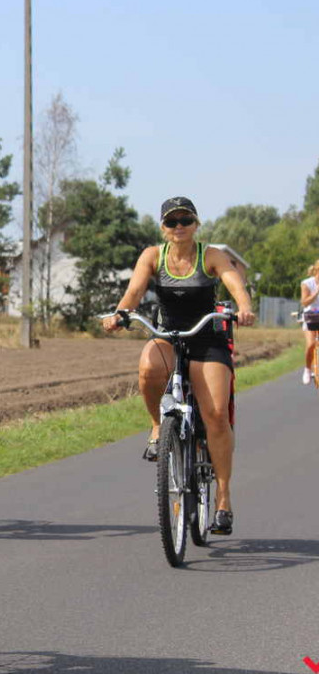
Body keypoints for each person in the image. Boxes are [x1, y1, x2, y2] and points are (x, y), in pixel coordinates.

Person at [102, 196, 255, 535]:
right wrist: (120, 313)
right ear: (163, 228)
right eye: (172, 222)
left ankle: (224, 499)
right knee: (148, 367)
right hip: (170, 334)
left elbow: (234, 282)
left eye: (185, 219)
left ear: (196, 224)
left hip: (207, 337)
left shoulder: (210, 255)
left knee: (215, 413)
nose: (179, 226)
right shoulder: (153, 256)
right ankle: (158, 426)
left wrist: (243, 307)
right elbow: (134, 292)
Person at [300, 260, 319, 384]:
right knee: (311, 344)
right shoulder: (307, 283)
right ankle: (307, 369)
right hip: (311, 316)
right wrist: (316, 292)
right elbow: (305, 302)